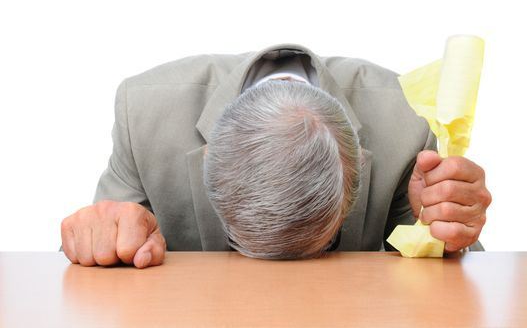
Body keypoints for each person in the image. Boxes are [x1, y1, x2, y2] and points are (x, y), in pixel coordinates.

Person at [60, 44, 491, 268]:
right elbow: (104, 247)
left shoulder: (409, 119)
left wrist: (444, 229)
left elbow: (453, 273)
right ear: (210, 159)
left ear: (355, 169)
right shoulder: (144, 112)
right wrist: (101, 234)